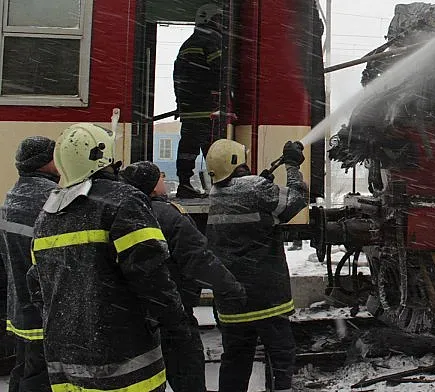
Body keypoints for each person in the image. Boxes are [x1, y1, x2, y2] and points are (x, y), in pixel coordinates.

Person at [30, 123, 191, 392]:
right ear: (103, 156)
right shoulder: (124, 201)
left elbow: (37, 287)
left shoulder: (46, 216)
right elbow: (151, 276)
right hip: (125, 363)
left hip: (66, 364)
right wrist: (177, 325)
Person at [121, 161, 246, 392]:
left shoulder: (120, 214)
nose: (164, 179)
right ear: (152, 186)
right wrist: (231, 288)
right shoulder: (169, 215)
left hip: (132, 320)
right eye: (160, 176)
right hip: (173, 317)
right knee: (189, 379)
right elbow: (198, 258)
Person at [205, 139, 308, 392]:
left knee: (236, 358)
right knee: (281, 353)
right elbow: (296, 199)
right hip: (266, 295)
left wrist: (261, 182)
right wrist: (292, 166)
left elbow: (246, 202)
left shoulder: (215, 193)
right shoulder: (255, 188)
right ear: (236, 163)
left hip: (232, 298)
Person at [0, 137, 58, 392]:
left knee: (23, 367)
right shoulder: (51, 199)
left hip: (19, 308)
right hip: (43, 310)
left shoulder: (12, 196)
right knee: (40, 376)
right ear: (44, 162)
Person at [173, 3, 224, 198]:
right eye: (218, 19)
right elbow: (220, 71)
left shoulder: (187, 44)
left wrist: (180, 103)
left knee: (188, 147)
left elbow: (177, 77)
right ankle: (220, 187)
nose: (221, 23)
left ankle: (184, 183)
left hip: (189, 108)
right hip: (207, 107)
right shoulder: (212, 40)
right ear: (209, 19)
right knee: (213, 150)